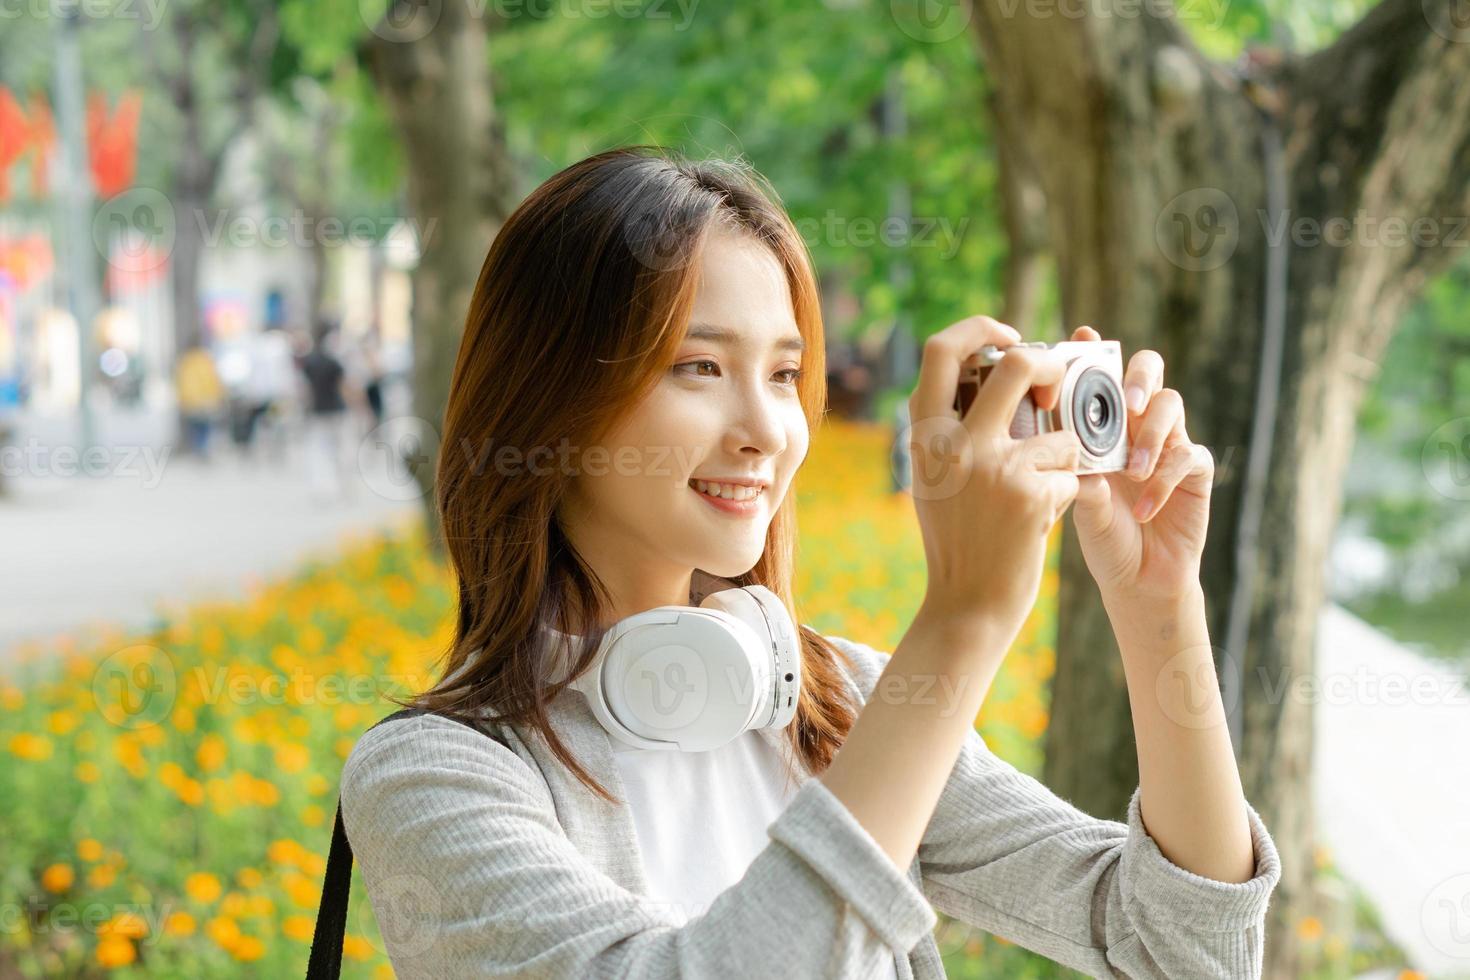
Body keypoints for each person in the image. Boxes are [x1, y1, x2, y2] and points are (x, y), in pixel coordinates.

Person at [335, 147, 1281, 978]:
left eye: (785, 375)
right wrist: (960, 625)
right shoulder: (434, 781)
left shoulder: (843, 708)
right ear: (549, 400)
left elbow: (1184, 950)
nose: (764, 432)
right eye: (698, 367)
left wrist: (1158, 602)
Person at [296, 319, 352, 502]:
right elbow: (344, 387)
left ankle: (322, 488)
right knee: (339, 450)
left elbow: (305, 390)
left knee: (318, 450)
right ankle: (342, 487)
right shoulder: (334, 362)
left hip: (318, 411)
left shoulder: (310, 362)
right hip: (336, 410)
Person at [174, 344, 225, 461]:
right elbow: (213, 380)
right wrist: (218, 396)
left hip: (192, 401)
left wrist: (183, 399)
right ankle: (202, 448)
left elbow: (182, 383)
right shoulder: (207, 361)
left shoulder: (186, 362)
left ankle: (200, 448)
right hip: (206, 400)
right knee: (204, 427)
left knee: (197, 427)